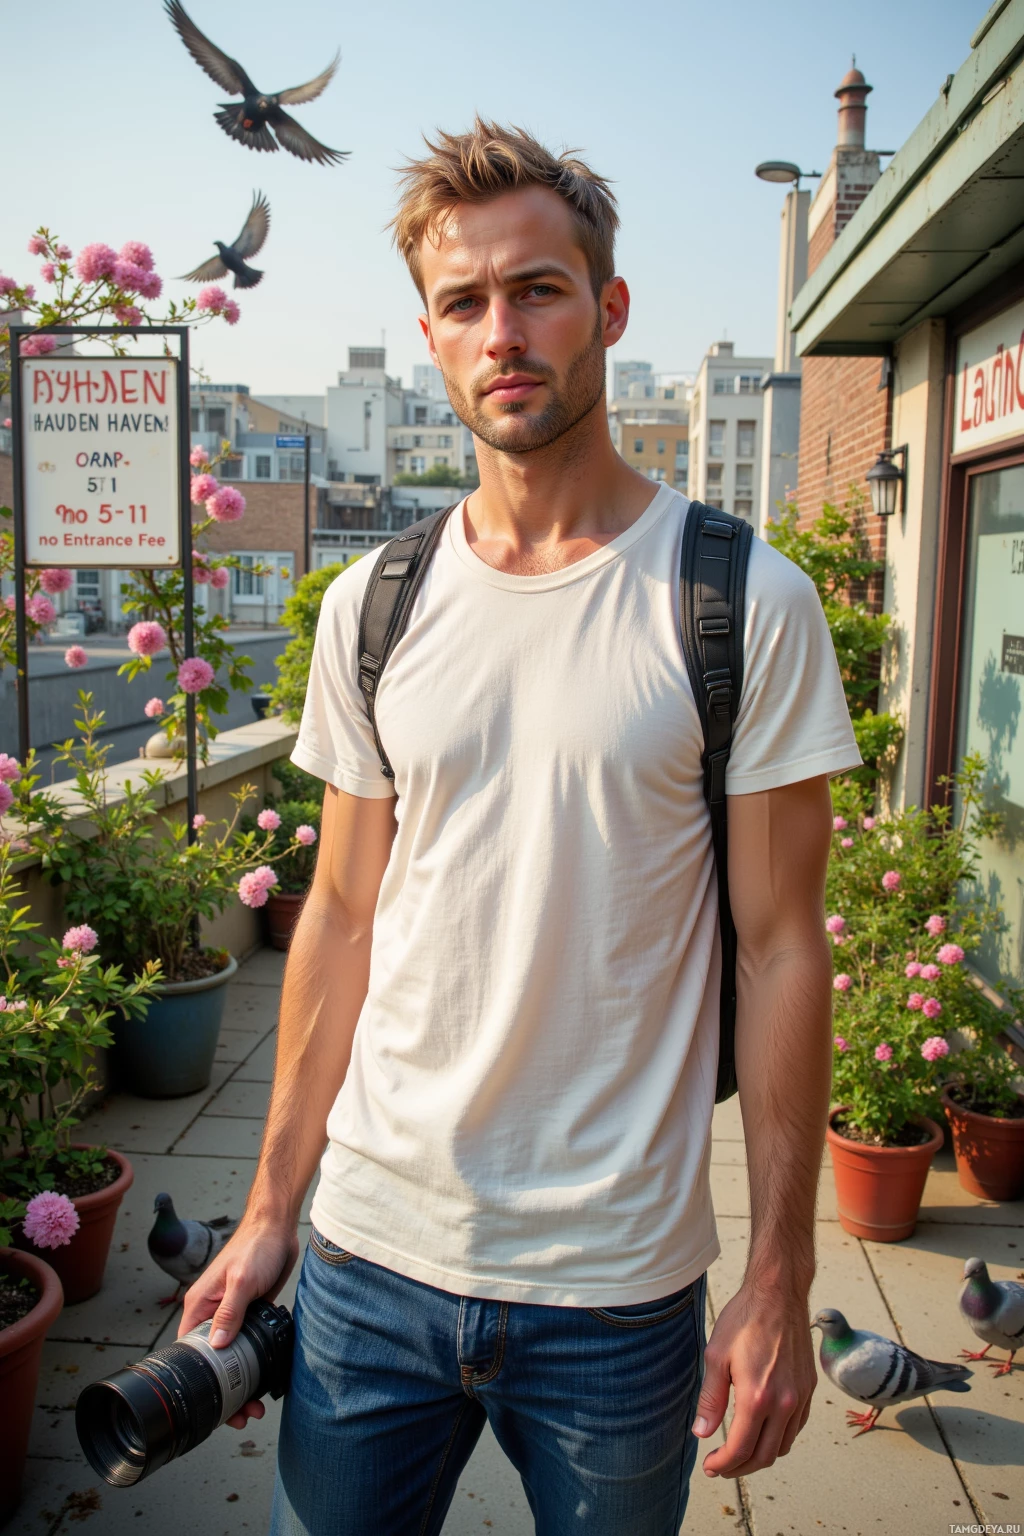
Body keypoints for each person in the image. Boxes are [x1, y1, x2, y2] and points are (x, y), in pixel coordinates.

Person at [179, 119, 861, 1535]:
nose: (504, 330)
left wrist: (783, 1277)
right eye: (465, 302)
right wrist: (267, 1210)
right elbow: (346, 922)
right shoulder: (374, 603)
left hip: (617, 1293)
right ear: (429, 336)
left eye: (539, 289)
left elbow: (786, 947)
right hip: (370, 1264)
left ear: (608, 309)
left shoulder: (741, 600)